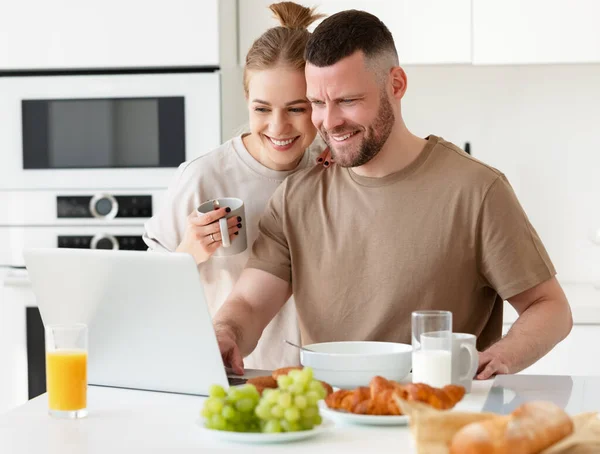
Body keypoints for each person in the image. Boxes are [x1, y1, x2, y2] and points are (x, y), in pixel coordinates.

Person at [213, 9, 573, 380]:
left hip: (435, 421)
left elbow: (550, 307)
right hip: (330, 427)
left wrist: (501, 357)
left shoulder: (476, 191)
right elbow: (249, 304)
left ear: (396, 84)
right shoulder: (296, 199)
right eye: (318, 103)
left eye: (348, 101)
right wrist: (227, 331)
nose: (330, 122)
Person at [143, 2, 327, 370]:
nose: (278, 127)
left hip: (317, 376)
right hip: (234, 371)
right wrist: (189, 251)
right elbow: (148, 297)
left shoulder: (330, 165)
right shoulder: (203, 178)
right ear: (247, 101)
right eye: (262, 109)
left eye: (296, 109)